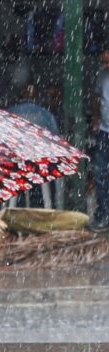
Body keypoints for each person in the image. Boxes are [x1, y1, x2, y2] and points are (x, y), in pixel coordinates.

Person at [7, 84, 60, 208]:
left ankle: (16, 208)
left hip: (15, 165)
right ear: (36, 96)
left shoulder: (9, 113)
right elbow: (56, 139)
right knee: (46, 182)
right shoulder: (46, 114)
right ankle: (42, 207)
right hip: (40, 165)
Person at [92, 49, 109, 229]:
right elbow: (96, 97)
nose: (105, 66)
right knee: (100, 174)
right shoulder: (102, 75)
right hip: (105, 130)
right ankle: (103, 213)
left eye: (107, 62)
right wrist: (96, 117)